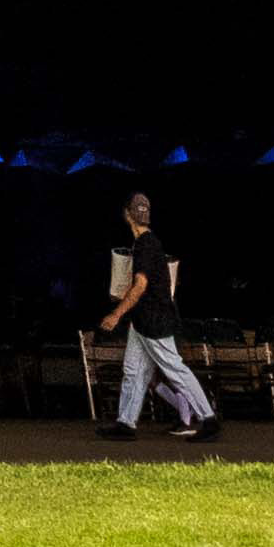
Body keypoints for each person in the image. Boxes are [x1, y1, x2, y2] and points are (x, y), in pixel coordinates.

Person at [89, 187, 214, 441]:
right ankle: (126, 423)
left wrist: (116, 314)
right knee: (134, 371)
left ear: (127, 215)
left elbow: (141, 285)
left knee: (173, 368)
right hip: (143, 320)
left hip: (153, 320)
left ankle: (208, 418)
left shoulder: (145, 245)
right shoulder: (147, 243)